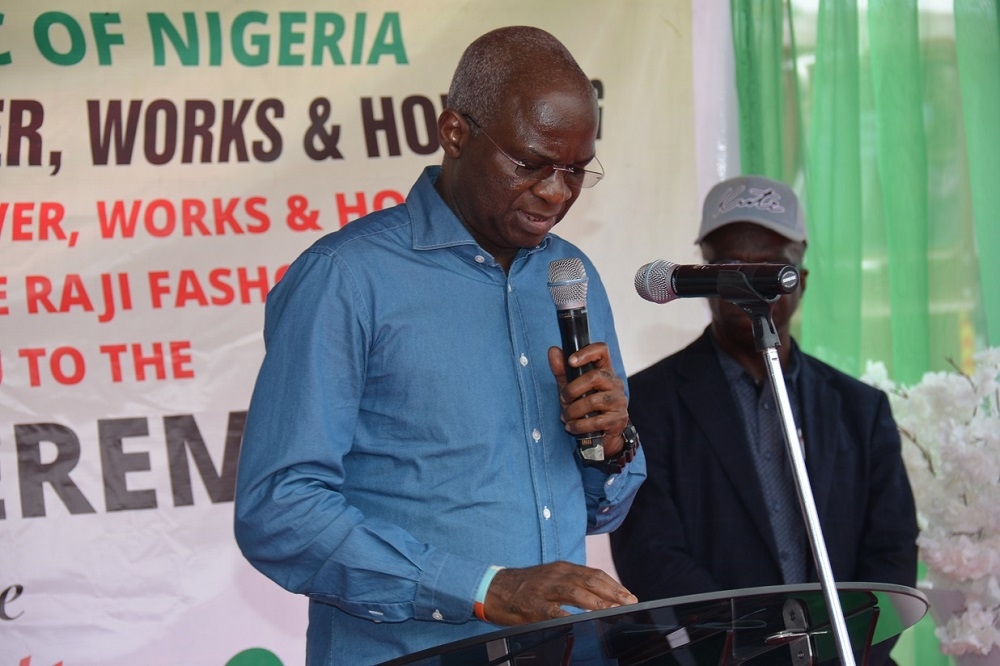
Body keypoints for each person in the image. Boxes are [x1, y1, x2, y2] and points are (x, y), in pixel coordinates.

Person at [234, 26, 646, 665]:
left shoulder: (571, 277)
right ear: (455, 132)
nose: (556, 192)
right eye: (531, 163)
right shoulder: (347, 277)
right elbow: (279, 510)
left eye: (574, 170)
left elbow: (599, 509)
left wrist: (611, 445)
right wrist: (482, 589)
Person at [609, 175, 918, 663]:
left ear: (802, 277)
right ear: (702, 275)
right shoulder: (647, 403)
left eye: (770, 265)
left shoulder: (861, 409)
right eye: (731, 265)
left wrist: (840, 650)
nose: (749, 280)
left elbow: (892, 555)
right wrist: (756, 653)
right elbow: (651, 556)